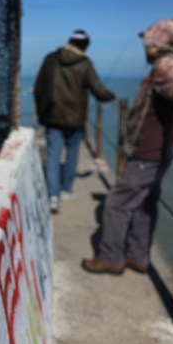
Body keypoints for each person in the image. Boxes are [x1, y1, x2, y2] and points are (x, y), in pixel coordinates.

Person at [81, 19, 173, 274]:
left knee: (117, 203)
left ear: (158, 42)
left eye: (148, 40)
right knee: (145, 204)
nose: (144, 45)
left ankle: (110, 256)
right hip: (160, 151)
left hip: (147, 152)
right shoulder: (170, 64)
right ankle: (138, 255)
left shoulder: (167, 65)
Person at [34, 30, 116, 214]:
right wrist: (111, 95)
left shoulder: (51, 59)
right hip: (75, 120)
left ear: (69, 41)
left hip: (52, 116)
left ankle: (52, 196)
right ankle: (67, 189)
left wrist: (41, 113)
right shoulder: (85, 64)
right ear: (86, 45)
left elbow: (39, 88)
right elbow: (98, 91)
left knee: (53, 156)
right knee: (72, 154)